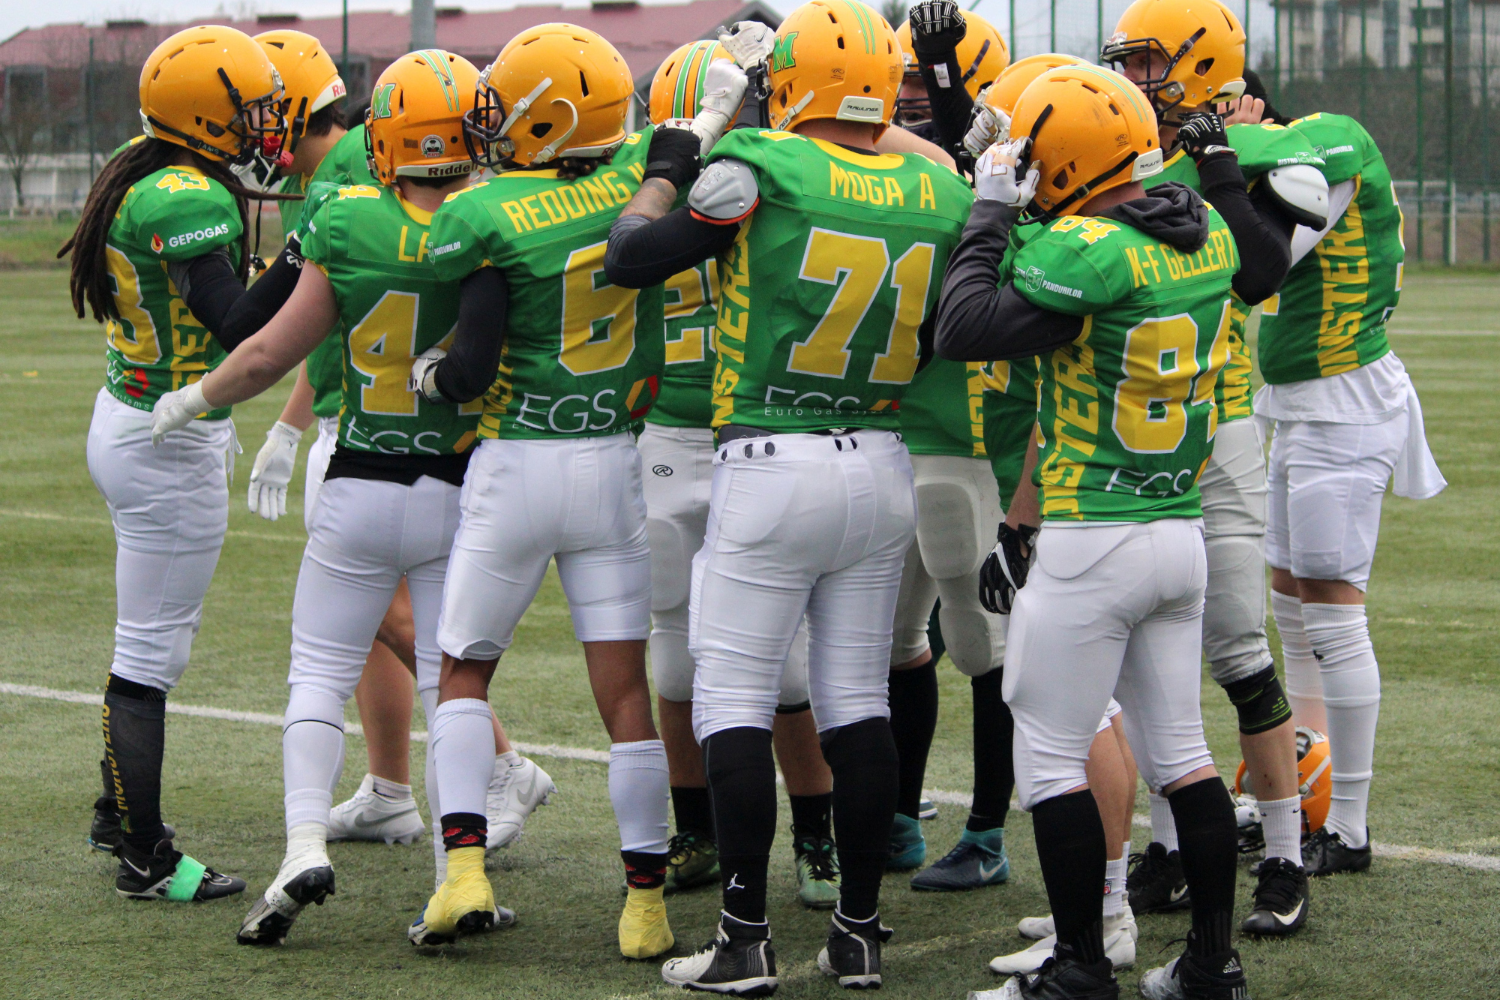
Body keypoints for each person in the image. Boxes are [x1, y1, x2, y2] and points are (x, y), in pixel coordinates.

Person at [605, 2, 973, 990]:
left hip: (770, 460)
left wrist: (672, 159)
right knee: (857, 703)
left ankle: (743, 938)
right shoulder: (935, 188)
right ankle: (858, 931)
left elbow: (629, 257)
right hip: (882, 462)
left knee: (732, 698)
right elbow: (945, 187)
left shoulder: (762, 164)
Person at [149, 48, 510, 947]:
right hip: (458, 491)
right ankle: (455, 876)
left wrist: (192, 400)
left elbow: (266, 351)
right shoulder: (498, 219)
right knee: (452, 688)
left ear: (387, 137)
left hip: (360, 479)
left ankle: (303, 846)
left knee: (316, 672)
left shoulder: (346, 218)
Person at [937, 63, 1252, 1000]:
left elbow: (963, 325)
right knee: (1183, 755)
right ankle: (1210, 965)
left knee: (1048, 754)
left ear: (1067, 160)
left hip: (1092, 537)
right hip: (1176, 532)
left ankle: (1079, 966)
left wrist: (991, 210)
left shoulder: (1089, 252)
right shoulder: (1206, 233)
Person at [400, 24, 676, 961]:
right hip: (613, 463)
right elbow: (670, 154)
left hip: (518, 460)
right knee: (625, 694)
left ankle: (463, 873)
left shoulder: (485, 213)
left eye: (506, 103)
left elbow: (471, 368)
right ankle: (645, 906)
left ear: (548, 116)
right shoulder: (639, 175)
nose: (490, 119)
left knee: (463, 671)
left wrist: (432, 376)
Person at [244, 29, 555, 857]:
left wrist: (270, 412)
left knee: (390, 620)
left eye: (266, 108)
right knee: (378, 622)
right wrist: (291, 420)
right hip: (394, 421)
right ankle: (389, 788)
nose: (253, 127)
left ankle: (500, 763)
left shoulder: (356, 183)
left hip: (387, 432)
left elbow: (297, 325)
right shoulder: (353, 183)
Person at [1098, 0, 1332, 934]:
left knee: (1236, 649)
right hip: (1131, 429)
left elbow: (1260, 272)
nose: (1131, 77)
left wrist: (1221, 160)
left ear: (1200, 60)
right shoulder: (1116, 146)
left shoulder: (1273, 153)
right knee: (1141, 660)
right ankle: (1167, 849)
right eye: (1127, 61)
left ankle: (1283, 858)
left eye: (1146, 60)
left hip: (1219, 421)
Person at [64, 23, 288, 902]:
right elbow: (238, 327)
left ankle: (114, 814)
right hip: (167, 441)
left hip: (132, 416)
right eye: (252, 107)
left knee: (156, 638)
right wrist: (310, 254)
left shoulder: (146, 165)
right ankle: (143, 853)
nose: (264, 123)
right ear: (205, 114)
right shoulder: (182, 197)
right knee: (151, 652)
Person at [640, 39, 842, 909]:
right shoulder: (645, 184)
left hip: (751, 434)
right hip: (667, 434)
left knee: (787, 668)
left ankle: (816, 834)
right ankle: (697, 827)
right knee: (674, 654)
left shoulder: (778, 179)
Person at [1256, 110, 1446, 877]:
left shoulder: (1328, 138)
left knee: (1332, 609)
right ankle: (1310, 785)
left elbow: (1262, 263)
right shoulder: (1284, 150)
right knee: (1291, 602)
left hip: (1344, 400)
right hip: (1304, 401)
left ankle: (1351, 825)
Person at [879, 0, 1018, 890]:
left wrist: (941, 84)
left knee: (982, 641)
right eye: (893, 82)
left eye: (917, 83)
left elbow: (973, 174)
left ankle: (988, 831)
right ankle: (898, 815)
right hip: (902, 428)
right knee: (895, 637)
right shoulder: (898, 169)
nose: (904, 100)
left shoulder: (1003, 176)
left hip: (974, 435)